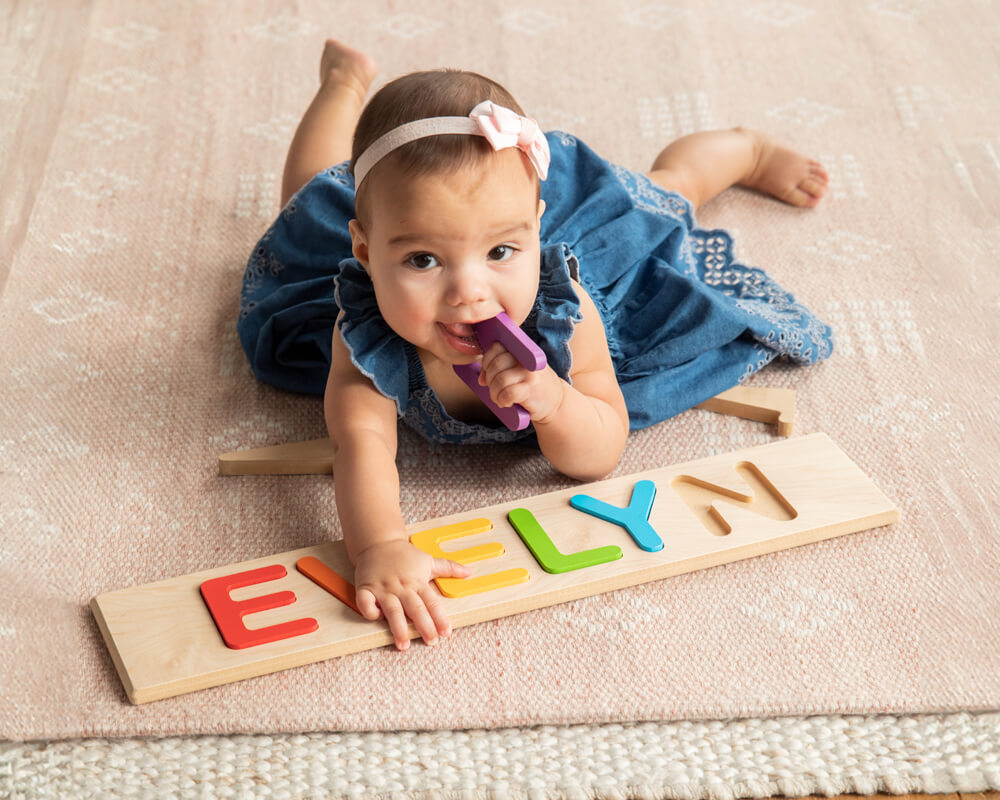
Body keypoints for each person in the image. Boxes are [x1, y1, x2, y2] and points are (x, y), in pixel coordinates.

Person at [238, 39, 834, 652]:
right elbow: (359, 443)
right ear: (366, 254)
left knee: (666, 193)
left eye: (501, 252)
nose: (469, 293)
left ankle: (745, 148)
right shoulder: (363, 333)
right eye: (423, 259)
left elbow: (600, 449)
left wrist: (556, 402)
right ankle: (342, 85)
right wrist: (380, 546)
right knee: (310, 201)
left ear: (535, 229)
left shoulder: (566, 318)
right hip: (372, 236)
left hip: (599, 267)